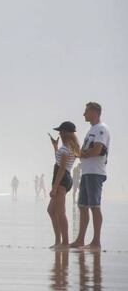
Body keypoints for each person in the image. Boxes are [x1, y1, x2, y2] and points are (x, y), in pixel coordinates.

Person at [70, 102, 110, 251]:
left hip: (95, 172)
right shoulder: (91, 130)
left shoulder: (101, 129)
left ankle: (96, 241)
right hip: (86, 172)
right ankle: (80, 239)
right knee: (82, 206)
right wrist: (82, 154)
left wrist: (82, 154)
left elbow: (97, 150)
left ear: (94, 112)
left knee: (94, 206)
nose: (83, 114)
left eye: (86, 111)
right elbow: (84, 151)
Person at [47, 121, 80, 250]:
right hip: (63, 178)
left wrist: (54, 187)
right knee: (51, 210)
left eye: (61, 131)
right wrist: (55, 147)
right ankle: (58, 240)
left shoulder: (67, 149)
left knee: (60, 212)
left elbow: (62, 168)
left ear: (66, 132)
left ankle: (64, 242)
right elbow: (59, 161)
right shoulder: (68, 147)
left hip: (62, 179)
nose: (59, 133)